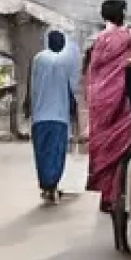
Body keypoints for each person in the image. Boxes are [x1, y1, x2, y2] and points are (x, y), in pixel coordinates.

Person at [85, 0, 131, 213]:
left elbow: (92, 73)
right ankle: (115, 193)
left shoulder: (98, 41)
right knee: (120, 150)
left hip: (99, 102)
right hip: (122, 100)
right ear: (123, 13)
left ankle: (106, 194)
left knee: (105, 147)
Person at [25, 28, 80, 203]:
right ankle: (52, 185)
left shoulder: (37, 59)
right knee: (56, 153)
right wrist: (73, 110)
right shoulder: (65, 61)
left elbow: (30, 83)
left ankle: (46, 186)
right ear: (61, 44)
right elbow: (70, 89)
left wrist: (28, 106)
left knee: (42, 153)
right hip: (59, 116)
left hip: (40, 115)